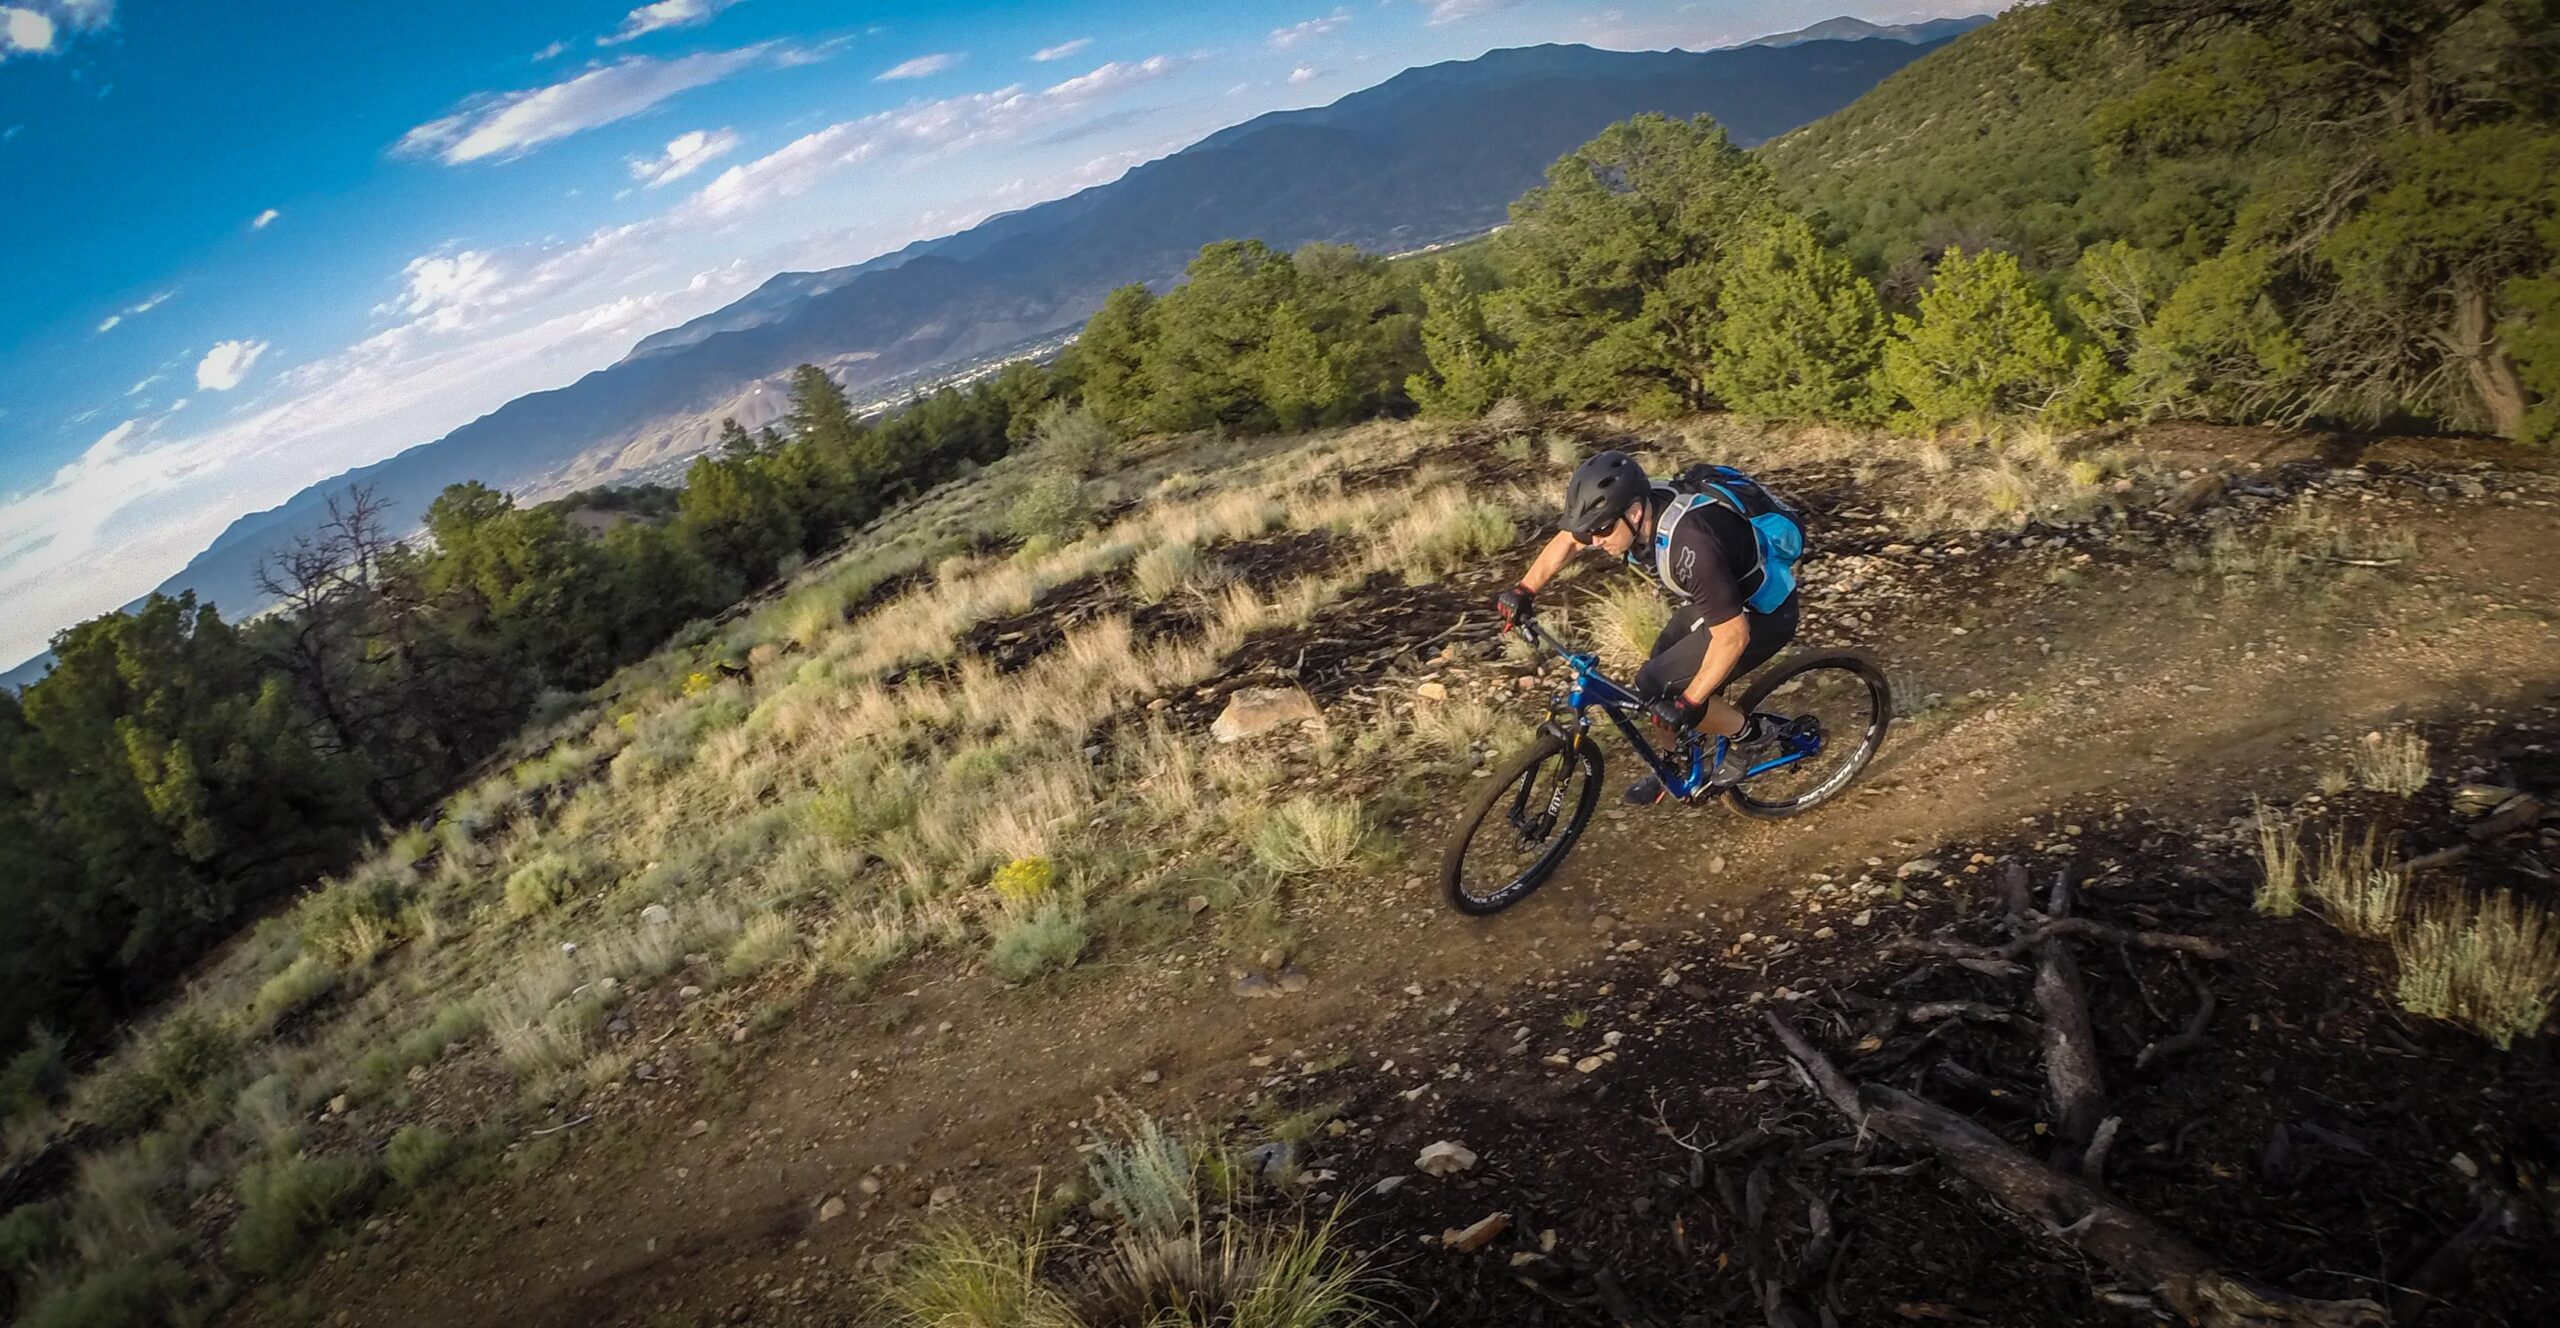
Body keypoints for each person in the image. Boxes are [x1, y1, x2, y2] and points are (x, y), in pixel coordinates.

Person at [1494, 449, 1801, 804]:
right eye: (1591, 531)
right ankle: (1678, 763)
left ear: (1635, 512)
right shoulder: (1628, 511)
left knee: (1667, 691)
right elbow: (1568, 540)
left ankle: (1751, 736)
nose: (1594, 541)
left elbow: (1733, 636)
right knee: (1653, 680)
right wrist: (1524, 589)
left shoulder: (1691, 544)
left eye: (1602, 530)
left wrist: (1689, 702)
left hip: (1762, 616)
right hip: (1719, 599)